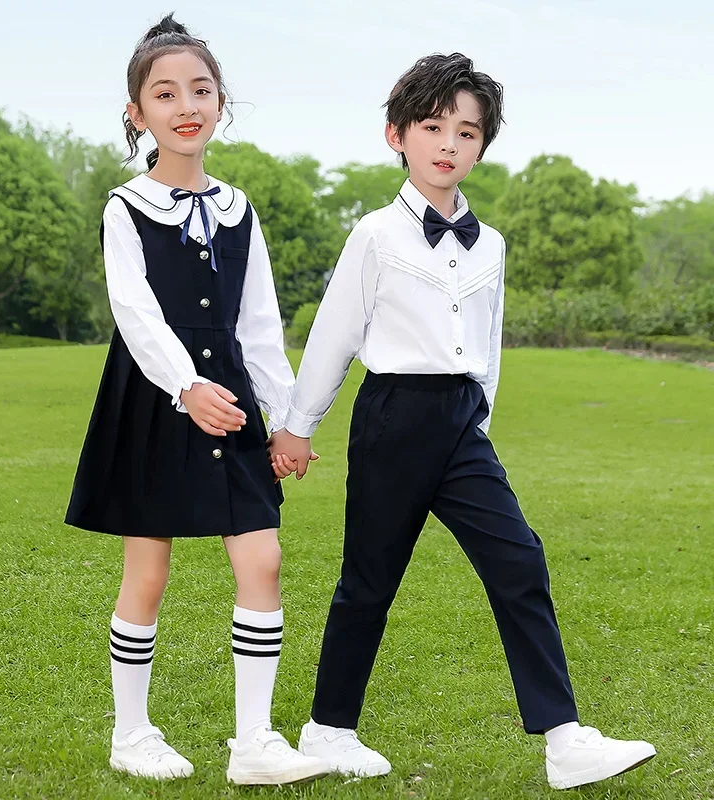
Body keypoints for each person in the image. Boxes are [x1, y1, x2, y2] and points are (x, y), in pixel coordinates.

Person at [272, 53, 656, 791]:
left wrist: (481, 416)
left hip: (460, 426)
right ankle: (327, 730)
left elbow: (489, 343)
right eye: (433, 126)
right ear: (397, 135)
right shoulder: (376, 234)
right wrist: (297, 426)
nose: (450, 143)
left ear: (482, 146)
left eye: (468, 132)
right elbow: (334, 335)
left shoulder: (495, 244)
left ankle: (564, 738)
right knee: (369, 580)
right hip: (392, 417)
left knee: (519, 559)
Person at [65, 14, 327, 786]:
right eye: (165, 92)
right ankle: (132, 732)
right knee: (147, 573)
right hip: (155, 401)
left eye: (202, 89)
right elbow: (134, 311)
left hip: (237, 405)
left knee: (265, 560)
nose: (187, 104)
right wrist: (185, 385)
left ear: (221, 103)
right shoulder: (126, 206)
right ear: (136, 113)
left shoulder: (241, 209)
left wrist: (289, 421)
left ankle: (255, 742)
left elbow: (260, 323)